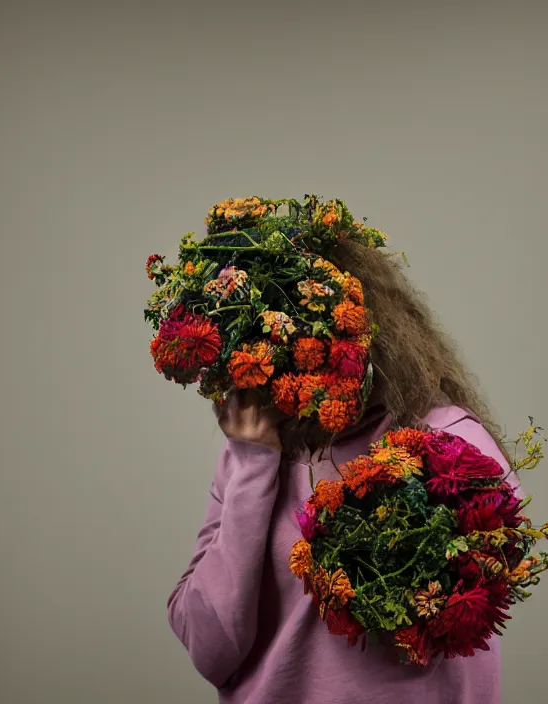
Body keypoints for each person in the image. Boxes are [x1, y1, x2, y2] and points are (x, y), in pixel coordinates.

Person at [166, 238, 522, 703]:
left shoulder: (452, 444)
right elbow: (211, 650)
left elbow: (440, 624)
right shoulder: (252, 455)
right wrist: (253, 466)